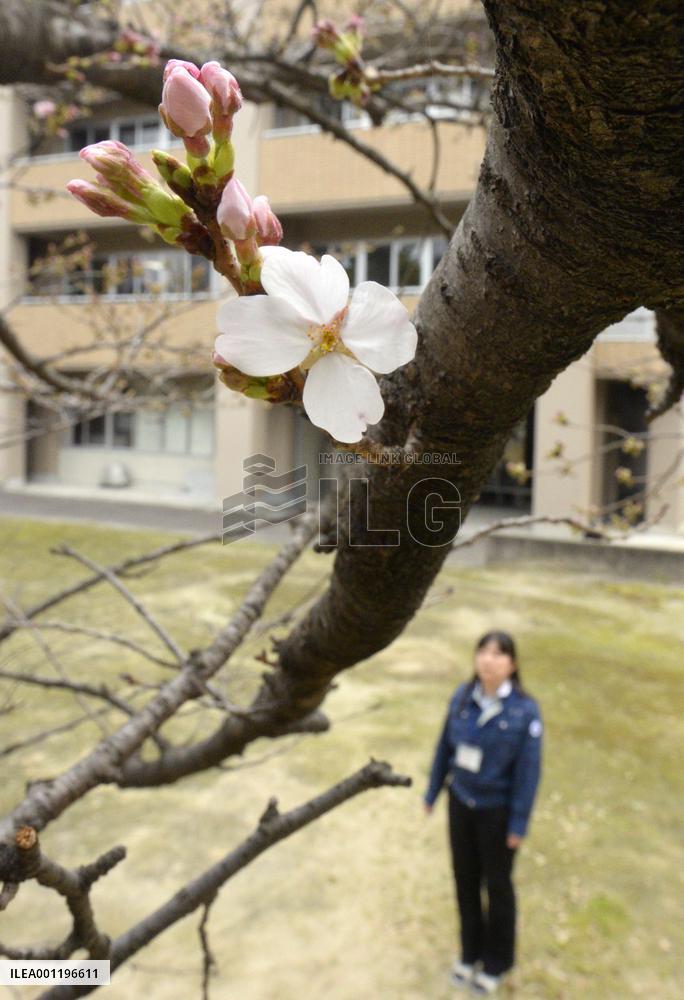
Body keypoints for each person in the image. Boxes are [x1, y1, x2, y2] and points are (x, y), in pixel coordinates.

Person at [423, 630, 543, 995]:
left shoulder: (525, 711)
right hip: (461, 804)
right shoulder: (462, 698)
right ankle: (469, 953)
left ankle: (497, 961)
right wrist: (432, 792)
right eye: (483, 652)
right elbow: (444, 747)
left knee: (498, 887)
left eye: (498, 653)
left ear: (512, 664)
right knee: (464, 881)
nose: (489, 660)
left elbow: (528, 774)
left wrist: (518, 824)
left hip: (497, 813)